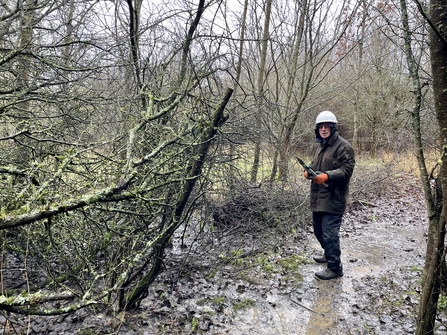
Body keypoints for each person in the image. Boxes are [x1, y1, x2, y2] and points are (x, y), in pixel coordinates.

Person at [303, 111, 355, 280]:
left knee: (329, 234)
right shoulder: (319, 145)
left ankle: (335, 267)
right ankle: (328, 253)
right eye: (321, 127)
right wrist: (308, 171)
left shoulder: (343, 146)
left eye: (327, 127)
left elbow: (346, 170)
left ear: (333, 128)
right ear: (317, 129)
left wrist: (327, 176)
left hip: (334, 197)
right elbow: (315, 164)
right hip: (318, 196)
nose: (324, 129)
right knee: (318, 231)